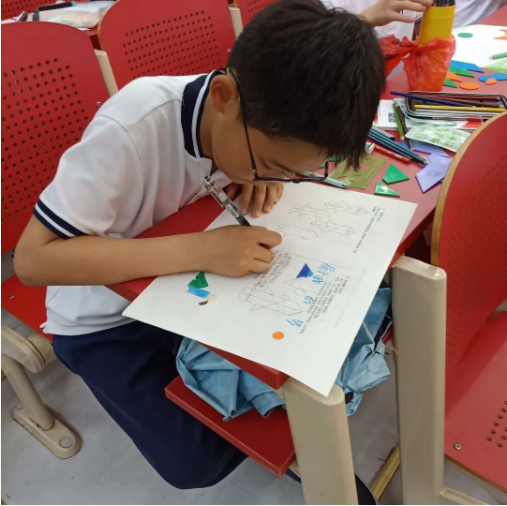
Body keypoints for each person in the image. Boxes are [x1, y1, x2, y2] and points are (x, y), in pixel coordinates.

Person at [14, 0, 420, 497]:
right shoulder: (133, 126)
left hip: (185, 296)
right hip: (104, 320)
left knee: (298, 381)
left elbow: (245, 151)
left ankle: (312, 462)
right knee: (195, 463)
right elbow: (33, 261)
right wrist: (203, 250)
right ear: (225, 97)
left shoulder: (249, 115)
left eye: (291, 172)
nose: (278, 179)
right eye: (273, 164)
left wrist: (254, 172)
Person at [324, 0, 432, 39]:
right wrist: (364, 20)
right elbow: (323, 49)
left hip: (400, 76)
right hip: (354, 77)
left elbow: (422, 27)